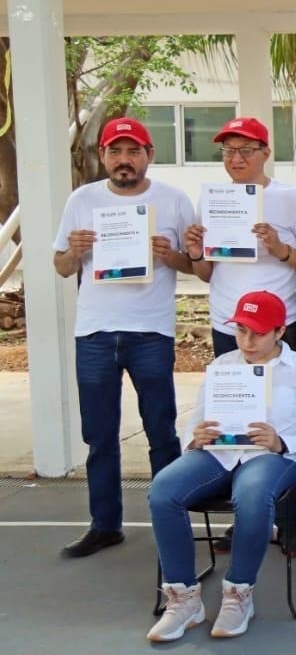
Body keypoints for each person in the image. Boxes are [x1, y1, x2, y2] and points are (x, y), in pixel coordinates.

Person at [146, 291, 296, 642]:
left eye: (258, 333)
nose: (247, 341)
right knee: (163, 490)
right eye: (241, 330)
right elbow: (195, 421)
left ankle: (238, 594)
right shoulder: (223, 365)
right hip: (219, 454)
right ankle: (183, 598)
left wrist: (283, 442)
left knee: (252, 495)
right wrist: (195, 435)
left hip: (275, 458)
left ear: (280, 332)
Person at [53, 117, 197, 558]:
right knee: (99, 435)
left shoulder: (173, 200)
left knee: (161, 430)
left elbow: (195, 263)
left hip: (150, 332)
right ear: (104, 156)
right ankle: (105, 523)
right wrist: (74, 251)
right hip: (94, 332)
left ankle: (173, 518)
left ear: (149, 156)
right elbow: (60, 266)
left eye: (133, 151)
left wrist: (168, 254)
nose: (124, 160)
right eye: (116, 151)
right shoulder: (82, 199)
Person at [183, 115, 296, 556]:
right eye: (227, 151)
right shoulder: (213, 198)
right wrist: (194, 253)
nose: (235, 159)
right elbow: (205, 271)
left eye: (245, 150)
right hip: (229, 325)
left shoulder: (291, 198)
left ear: (265, 153)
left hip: (281, 326)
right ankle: (244, 516)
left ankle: (290, 520)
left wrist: (279, 247)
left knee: (282, 425)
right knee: (235, 425)